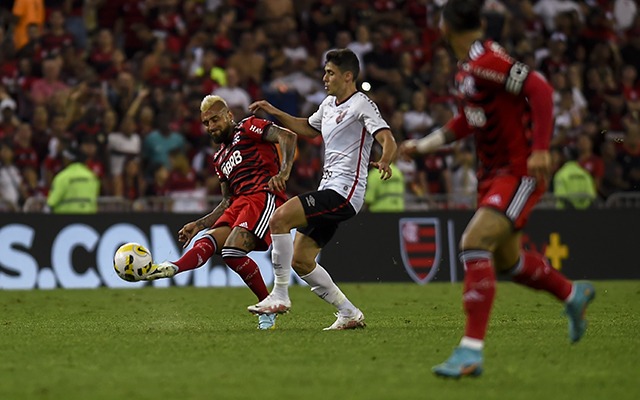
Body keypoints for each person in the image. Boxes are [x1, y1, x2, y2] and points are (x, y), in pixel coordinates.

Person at [399, 0, 595, 378]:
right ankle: (573, 294)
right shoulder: (468, 67)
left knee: (474, 241)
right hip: (492, 175)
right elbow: (467, 120)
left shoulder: (487, 60)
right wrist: (423, 145)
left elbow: (540, 89)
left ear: (446, 26)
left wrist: (540, 149)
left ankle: (470, 351)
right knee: (509, 261)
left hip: (518, 172)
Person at [246, 48, 397, 330]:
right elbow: (308, 128)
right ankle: (349, 313)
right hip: (328, 187)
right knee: (301, 260)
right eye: (325, 72)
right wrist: (275, 112)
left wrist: (386, 159)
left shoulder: (361, 104)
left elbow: (387, 138)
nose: (324, 77)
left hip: (345, 192)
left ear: (348, 76)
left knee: (279, 218)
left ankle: (279, 295)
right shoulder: (328, 104)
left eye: (330, 73)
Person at [143, 95, 297, 331]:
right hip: (239, 204)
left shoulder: (248, 127)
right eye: (206, 123)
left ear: (229, 116)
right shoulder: (219, 158)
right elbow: (227, 200)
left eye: (215, 120)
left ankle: (268, 305)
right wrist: (199, 223)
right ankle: (172, 268)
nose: (211, 127)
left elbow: (288, 136)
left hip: (262, 196)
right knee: (206, 241)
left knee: (232, 251)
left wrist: (284, 173)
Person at [46, 146, 100, 214]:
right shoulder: (92, 177)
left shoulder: (62, 177)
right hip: (88, 218)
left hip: (64, 219)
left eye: (64, 158)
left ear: (68, 159)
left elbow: (52, 201)